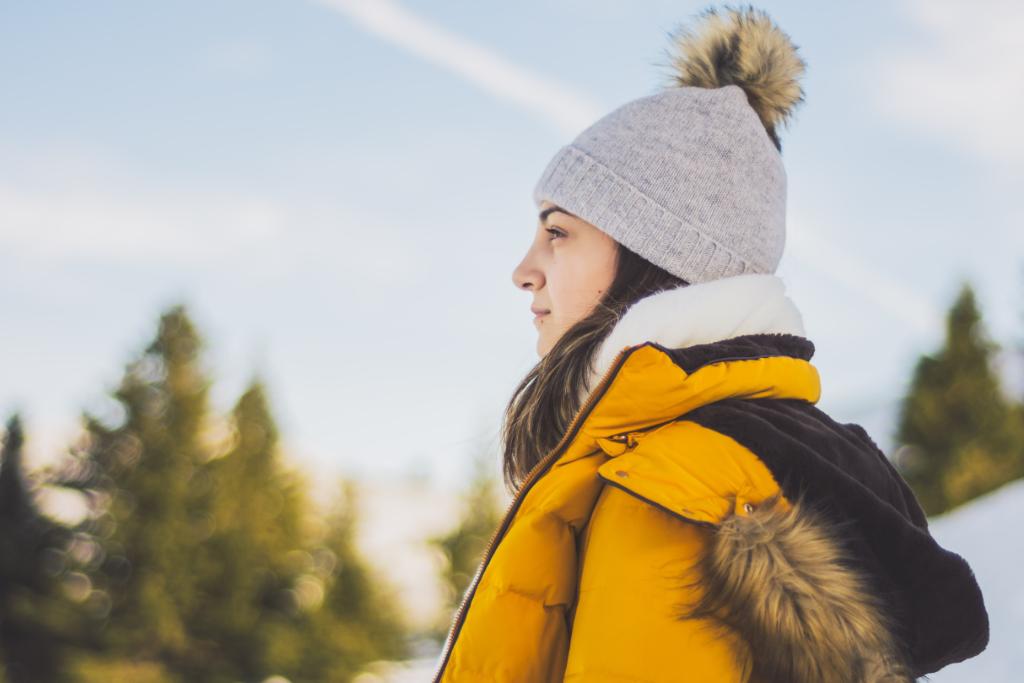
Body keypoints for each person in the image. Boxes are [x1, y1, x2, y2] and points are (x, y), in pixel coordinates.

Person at [432, 5, 989, 682]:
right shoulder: (728, 455)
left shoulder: (671, 486)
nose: (523, 269)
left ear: (655, 253)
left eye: (558, 232)